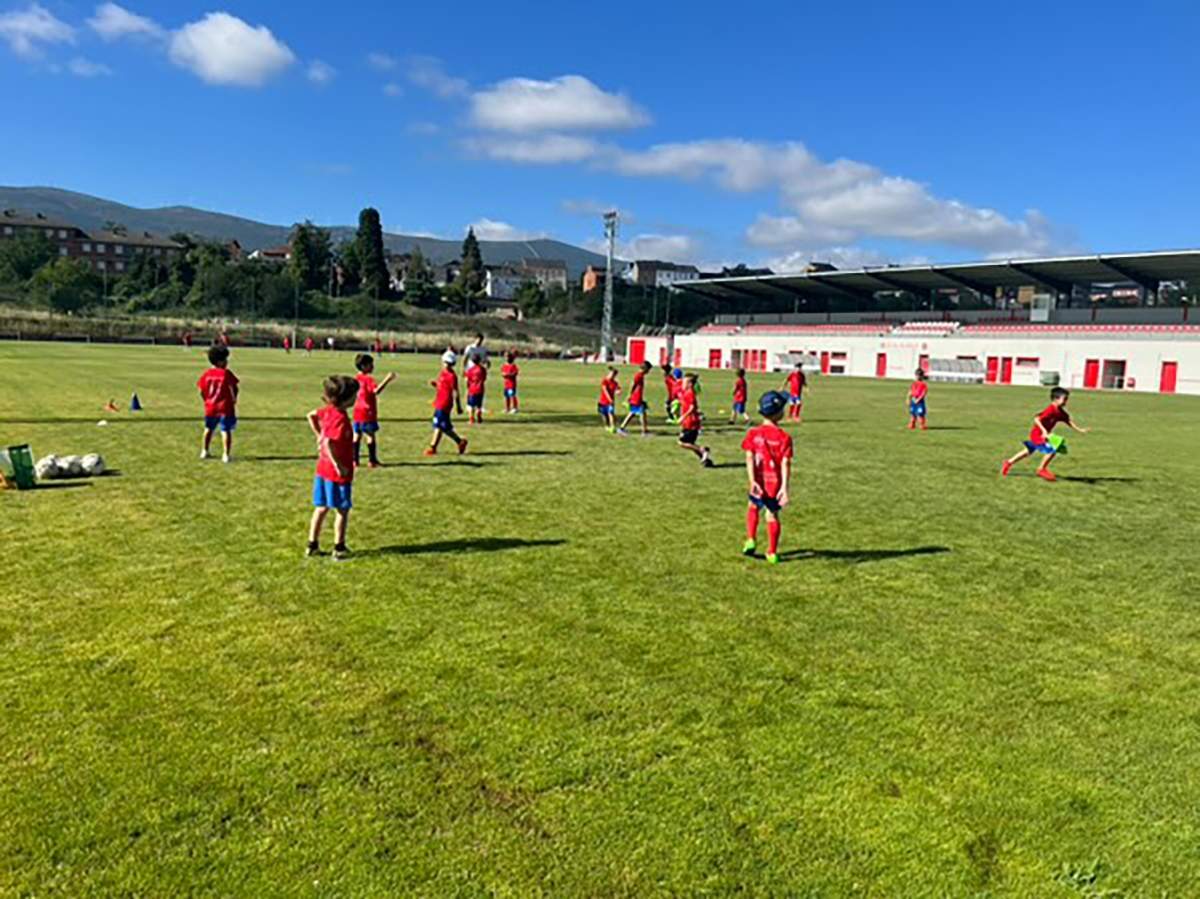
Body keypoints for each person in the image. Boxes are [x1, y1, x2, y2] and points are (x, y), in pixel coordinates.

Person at [305, 375, 358, 561]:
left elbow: (310, 415)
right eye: (354, 395)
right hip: (337, 473)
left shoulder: (327, 411)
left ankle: (312, 545)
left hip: (322, 470)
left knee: (321, 507)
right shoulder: (341, 418)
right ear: (346, 399)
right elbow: (329, 443)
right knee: (342, 511)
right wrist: (339, 466)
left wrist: (318, 434)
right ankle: (339, 548)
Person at [741, 391, 793, 565]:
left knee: (753, 507)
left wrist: (752, 480)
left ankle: (750, 539)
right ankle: (771, 552)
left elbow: (749, 457)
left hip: (758, 481)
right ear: (779, 413)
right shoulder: (784, 438)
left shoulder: (753, 433)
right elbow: (785, 463)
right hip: (774, 483)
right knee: (772, 515)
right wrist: (784, 488)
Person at [1001, 387, 1090, 481]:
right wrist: (1043, 431)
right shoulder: (1051, 409)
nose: (1066, 402)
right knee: (1053, 449)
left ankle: (1008, 462)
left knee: (1028, 451)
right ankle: (1041, 469)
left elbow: (1068, 421)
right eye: (1064, 399)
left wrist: (1080, 429)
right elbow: (1036, 419)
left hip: (1043, 434)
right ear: (1056, 399)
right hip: (1037, 434)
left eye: (1066, 399)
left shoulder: (1060, 412)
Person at [197, 344, 239, 463]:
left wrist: (206, 400)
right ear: (220, 361)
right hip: (225, 407)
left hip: (210, 407)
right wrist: (234, 399)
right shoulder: (226, 373)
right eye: (225, 359)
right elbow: (234, 388)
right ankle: (226, 454)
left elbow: (201, 390)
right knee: (225, 430)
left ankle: (204, 451)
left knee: (208, 428)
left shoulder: (207, 374)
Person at [352, 353, 396, 468]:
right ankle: (372, 460)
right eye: (370, 364)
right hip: (367, 412)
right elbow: (376, 391)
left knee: (356, 435)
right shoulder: (368, 379)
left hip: (357, 411)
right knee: (370, 436)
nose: (373, 367)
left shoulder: (356, 378)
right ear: (364, 366)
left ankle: (354, 460)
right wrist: (387, 379)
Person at [426, 350, 468, 456]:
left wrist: (458, 406)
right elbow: (442, 386)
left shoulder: (452, 376)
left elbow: (455, 391)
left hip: (444, 404)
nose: (446, 365)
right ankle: (460, 442)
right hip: (439, 402)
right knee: (445, 427)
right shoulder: (442, 373)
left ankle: (433, 447)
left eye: (449, 363)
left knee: (438, 425)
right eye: (445, 363)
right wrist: (435, 384)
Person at [677, 372, 714, 467]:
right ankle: (706, 460)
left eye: (684, 382)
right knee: (691, 444)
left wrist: (683, 417)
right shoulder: (686, 392)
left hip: (691, 422)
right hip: (688, 422)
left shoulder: (690, 393)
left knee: (682, 443)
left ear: (689, 384)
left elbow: (692, 407)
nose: (682, 384)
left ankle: (703, 450)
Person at [618, 360, 653, 436]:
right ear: (645, 368)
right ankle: (644, 432)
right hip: (636, 398)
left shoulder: (640, 375)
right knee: (642, 413)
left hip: (637, 397)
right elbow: (633, 384)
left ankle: (621, 428)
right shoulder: (639, 375)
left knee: (632, 413)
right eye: (648, 369)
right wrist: (629, 395)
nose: (649, 372)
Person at [598, 367, 620, 432]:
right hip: (603, 401)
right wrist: (609, 398)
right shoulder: (605, 381)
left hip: (611, 402)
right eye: (611, 374)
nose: (612, 376)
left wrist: (618, 392)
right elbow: (605, 390)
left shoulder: (615, 383)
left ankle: (612, 427)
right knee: (604, 415)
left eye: (614, 375)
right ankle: (607, 426)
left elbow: (617, 389)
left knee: (611, 413)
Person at [466, 359, 488, 425]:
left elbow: (468, 380)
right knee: (479, 405)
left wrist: (468, 387)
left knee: (471, 405)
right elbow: (484, 378)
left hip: (472, 389)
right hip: (480, 388)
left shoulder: (470, 370)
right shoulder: (483, 369)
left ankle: (471, 419)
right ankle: (479, 418)